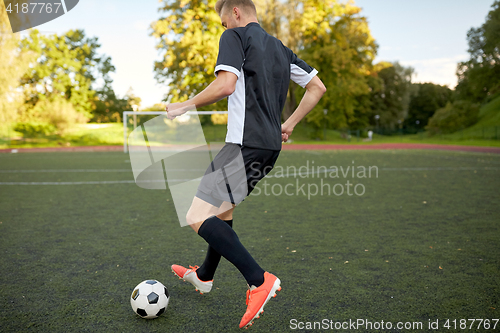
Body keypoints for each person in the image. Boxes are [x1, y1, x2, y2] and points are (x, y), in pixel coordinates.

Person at [165, 0, 326, 328]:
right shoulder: (280, 48)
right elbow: (317, 87)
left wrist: (185, 104)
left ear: (235, 13)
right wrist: (290, 123)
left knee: (196, 215)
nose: (224, 28)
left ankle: (258, 280)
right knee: (223, 210)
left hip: (244, 145)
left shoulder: (235, 36)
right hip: (269, 148)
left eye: (223, 22)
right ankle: (205, 276)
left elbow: (226, 84)